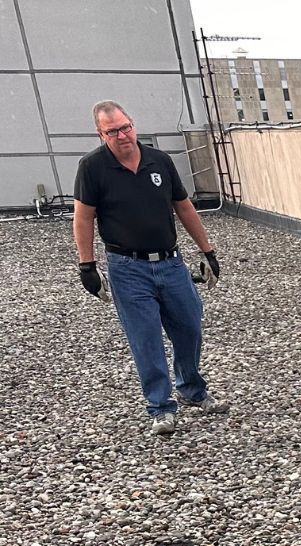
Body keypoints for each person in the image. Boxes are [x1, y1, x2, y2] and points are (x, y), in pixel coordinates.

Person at [72, 100, 225, 437]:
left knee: (189, 326)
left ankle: (191, 388)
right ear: (101, 134)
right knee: (146, 340)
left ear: (133, 124)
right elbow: (83, 217)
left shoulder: (160, 161)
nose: (122, 135)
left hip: (171, 264)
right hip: (128, 268)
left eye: (125, 127)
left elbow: (183, 207)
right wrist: (87, 265)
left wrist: (208, 250)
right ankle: (160, 407)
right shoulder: (92, 168)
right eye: (112, 131)